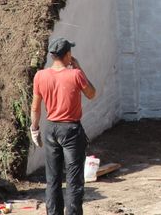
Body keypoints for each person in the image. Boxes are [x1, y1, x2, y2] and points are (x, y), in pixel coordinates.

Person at [30, 38, 97, 215]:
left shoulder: (40, 76)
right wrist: (79, 68)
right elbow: (91, 93)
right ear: (68, 55)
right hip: (70, 130)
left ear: (52, 56)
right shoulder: (75, 74)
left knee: (52, 179)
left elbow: (35, 108)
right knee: (74, 180)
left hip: (51, 129)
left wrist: (34, 129)